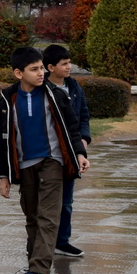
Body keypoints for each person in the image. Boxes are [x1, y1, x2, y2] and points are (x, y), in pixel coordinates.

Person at [0, 47, 89, 274]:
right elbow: (3, 139)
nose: (41, 73)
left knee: (48, 217)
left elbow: (72, 126)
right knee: (32, 217)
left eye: (41, 68)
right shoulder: (8, 98)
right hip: (25, 164)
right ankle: (33, 267)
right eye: (34, 69)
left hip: (53, 161)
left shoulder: (55, 94)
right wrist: (4, 176)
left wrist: (80, 153)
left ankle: (40, 271)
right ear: (18, 73)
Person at [43, 43, 91, 258]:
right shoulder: (40, 88)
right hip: (48, 152)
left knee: (67, 201)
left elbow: (83, 116)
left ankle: (62, 241)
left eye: (69, 62)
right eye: (64, 64)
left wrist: (83, 141)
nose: (69, 67)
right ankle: (43, 241)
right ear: (51, 67)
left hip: (71, 152)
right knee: (45, 201)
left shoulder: (74, 87)